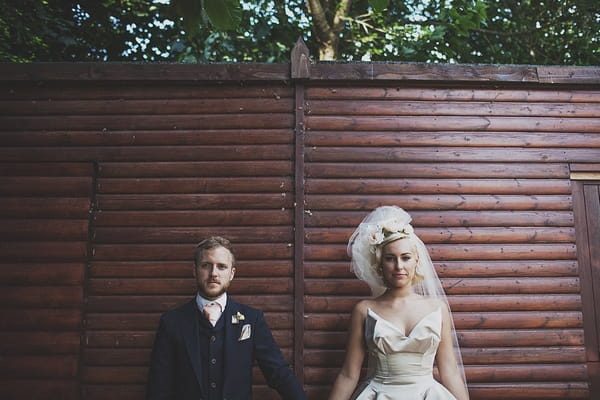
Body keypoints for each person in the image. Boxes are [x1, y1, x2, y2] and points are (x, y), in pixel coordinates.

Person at [328, 206, 469, 400]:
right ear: (379, 263)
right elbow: (348, 374)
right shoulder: (364, 310)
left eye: (405, 257)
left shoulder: (437, 309)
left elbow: (450, 372)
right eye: (390, 258)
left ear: (416, 261)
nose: (399, 266)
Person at [146, 236, 306, 400]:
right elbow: (159, 387)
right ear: (195, 270)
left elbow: (278, 373)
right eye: (206, 265)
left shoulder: (252, 319)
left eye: (221, 267)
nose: (213, 273)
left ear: (231, 273)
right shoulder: (172, 322)